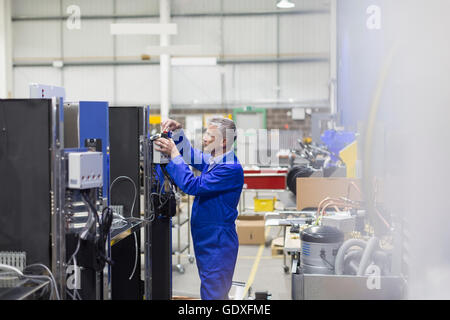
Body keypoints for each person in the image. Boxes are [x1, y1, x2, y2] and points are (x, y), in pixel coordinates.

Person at [154, 117, 244, 300]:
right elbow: (188, 154)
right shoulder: (215, 160)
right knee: (213, 290)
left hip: (218, 242)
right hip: (208, 240)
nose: (204, 138)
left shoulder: (229, 168)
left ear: (224, 141)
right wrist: (178, 132)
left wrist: (173, 155)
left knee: (213, 293)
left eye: (209, 135)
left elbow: (192, 185)